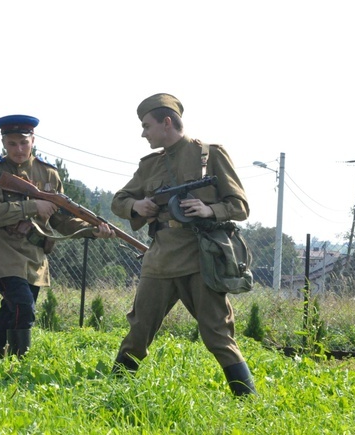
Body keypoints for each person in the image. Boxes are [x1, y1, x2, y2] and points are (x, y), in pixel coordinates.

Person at [110, 93, 257, 396]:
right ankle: (115, 391)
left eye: (146, 125)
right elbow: (119, 201)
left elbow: (240, 205)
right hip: (160, 259)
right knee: (139, 331)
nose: (143, 133)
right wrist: (138, 206)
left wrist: (209, 210)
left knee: (217, 333)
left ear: (167, 122)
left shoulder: (210, 154)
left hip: (200, 259)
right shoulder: (150, 166)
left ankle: (248, 399)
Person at [0, 114, 115, 360]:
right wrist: (34, 206)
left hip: (35, 254)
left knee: (12, 311)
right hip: (6, 253)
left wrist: (91, 230)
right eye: (12, 144)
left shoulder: (49, 173)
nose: (18, 149)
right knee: (23, 307)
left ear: (33, 139)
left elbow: (61, 221)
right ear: (3, 143)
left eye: (23, 142)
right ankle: (19, 364)